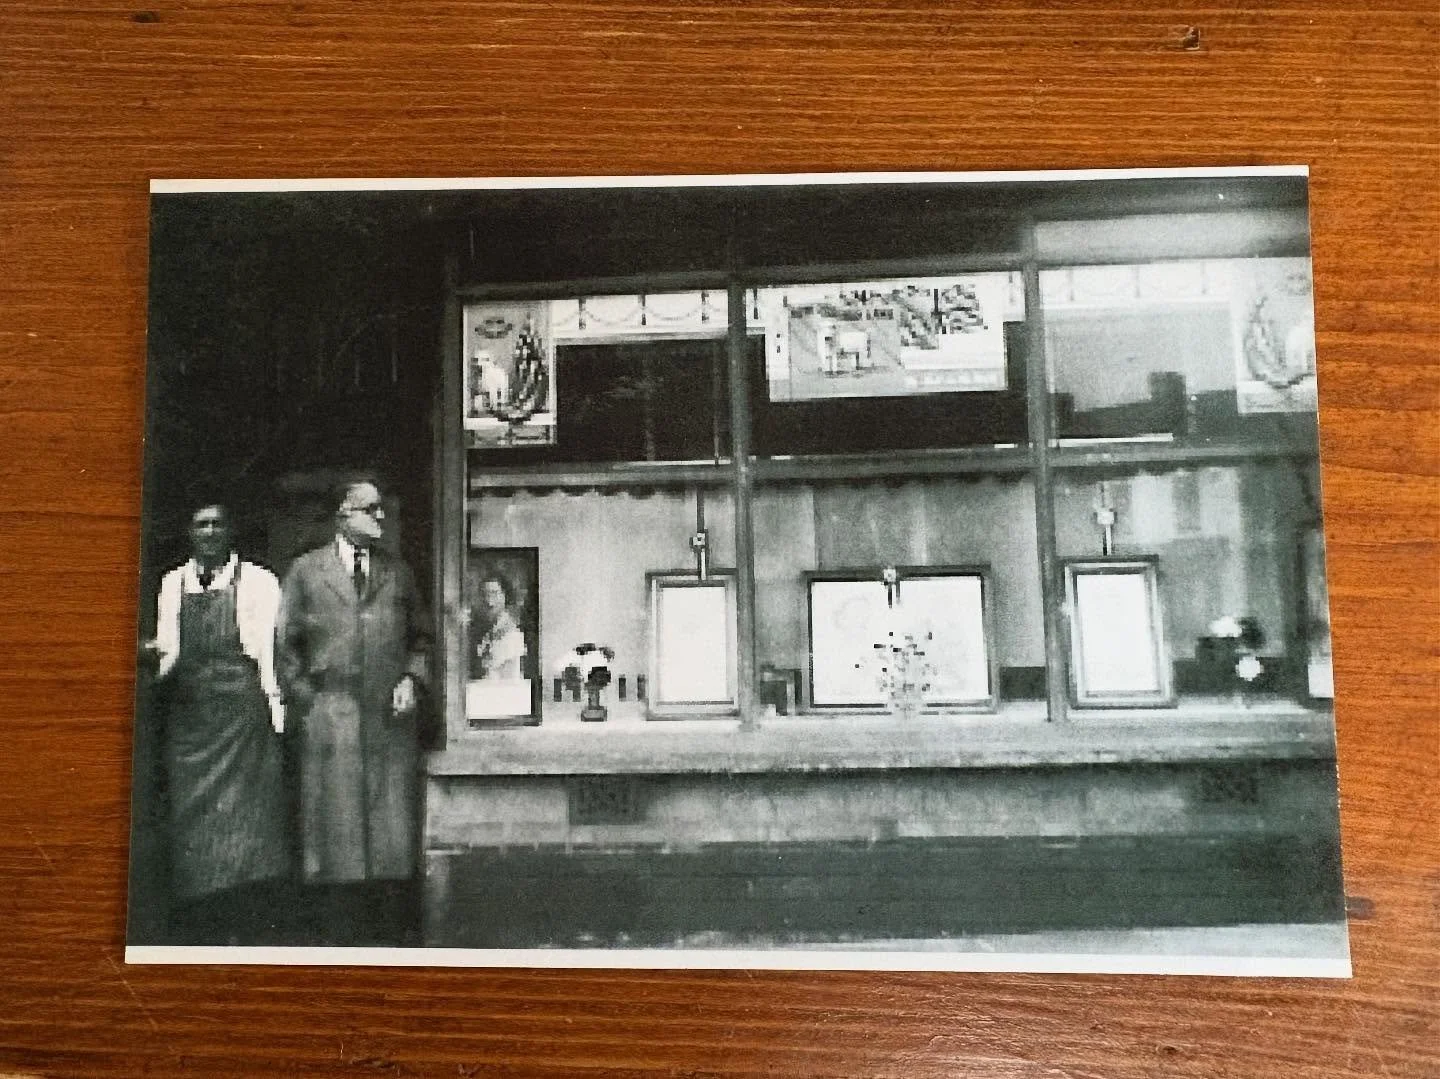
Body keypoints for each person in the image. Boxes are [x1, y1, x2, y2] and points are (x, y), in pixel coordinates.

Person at [276, 479, 431, 946]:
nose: (381, 517)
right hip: (331, 719)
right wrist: (309, 703)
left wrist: (412, 679)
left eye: (381, 509)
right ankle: (338, 939)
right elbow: (285, 647)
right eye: (370, 509)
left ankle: (388, 937)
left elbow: (423, 638)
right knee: (334, 836)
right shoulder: (306, 572)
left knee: (389, 836)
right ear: (343, 514)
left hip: (388, 719)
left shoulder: (398, 572)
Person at [149, 502, 289, 943]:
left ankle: (245, 923)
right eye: (201, 524)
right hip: (192, 722)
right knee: (194, 825)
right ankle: (204, 926)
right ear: (189, 532)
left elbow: (270, 656)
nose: (209, 532)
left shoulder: (260, 581)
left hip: (243, 719)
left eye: (217, 524)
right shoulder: (172, 583)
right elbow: (168, 653)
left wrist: (276, 714)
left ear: (231, 530)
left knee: (249, 824)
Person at [472, 573, 527, 681]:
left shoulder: (512, 635)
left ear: (505, 596)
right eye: (485, 594)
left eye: (494, 593)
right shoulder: (488, 632)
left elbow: (510, 679)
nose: (489, 601)